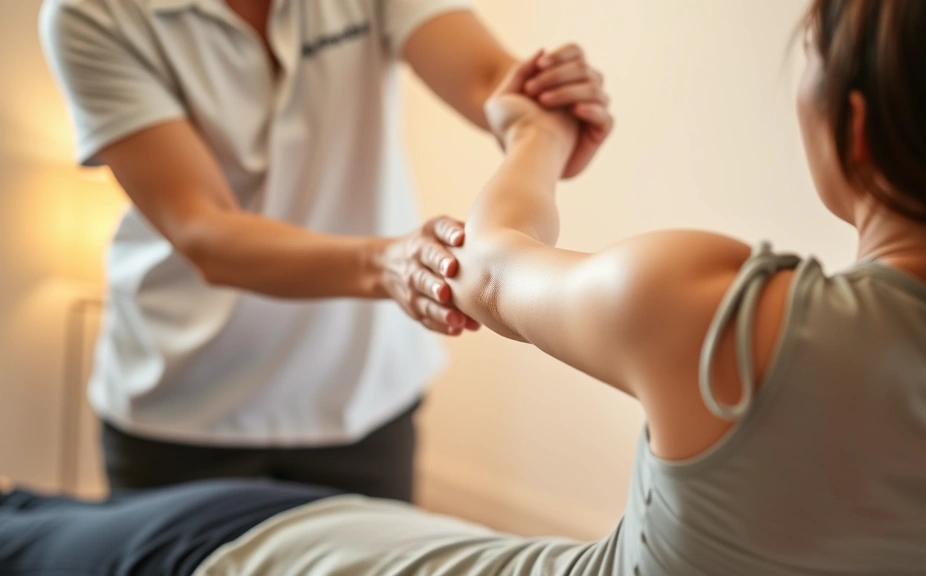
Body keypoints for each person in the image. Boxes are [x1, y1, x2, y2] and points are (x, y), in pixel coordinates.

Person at [7, 0, 926, 574]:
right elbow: (204, 232)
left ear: (852, 133)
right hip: (188, 386)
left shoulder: (725, 314)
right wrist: (531, 110)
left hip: (345, 421)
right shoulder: (92, 14)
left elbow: (488, 258)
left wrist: (534, 128)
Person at [38, 0, 613, 500]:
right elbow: (206, 230)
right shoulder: (91, 13)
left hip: (361, 395)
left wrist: (545, 116)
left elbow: (493, 81)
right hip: (186, 408)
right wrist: (390, 264)